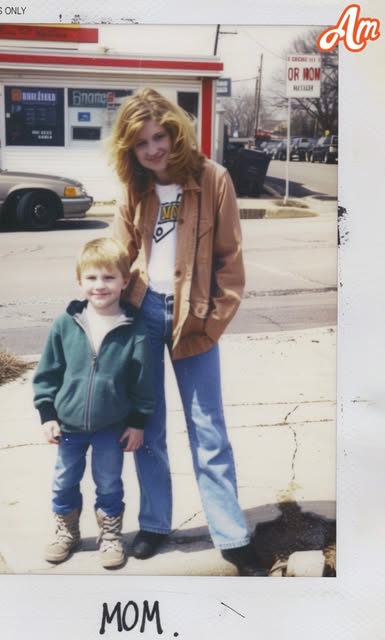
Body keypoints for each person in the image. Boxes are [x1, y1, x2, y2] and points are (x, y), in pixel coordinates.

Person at [108, 87, 266, 576]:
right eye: (141, 143)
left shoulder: (213, 179)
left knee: (208, 429)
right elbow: (118, 252)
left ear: (176, 132)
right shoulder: (136, 187)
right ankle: (154, 524)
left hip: (193, 316)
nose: (153, 149)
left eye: (160, 136)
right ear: (129, 149)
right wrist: (102, 306)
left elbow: (230, 263)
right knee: (148, 429)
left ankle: (231, 534)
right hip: (142, 315)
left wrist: (211, 322)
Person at [33, 237, 154, 569]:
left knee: (110, 482)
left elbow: (145, 382)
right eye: (92, 278)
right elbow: (48, 373)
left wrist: (138, 421)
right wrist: (47, 413)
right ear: (79, 281)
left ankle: (111, 535)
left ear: (125, 282)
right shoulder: (65, 325)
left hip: (111, 427)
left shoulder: (135, 330)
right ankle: (66, 532)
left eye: (109, 278)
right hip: (68, 425)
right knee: (64, 480)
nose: (100, 286)